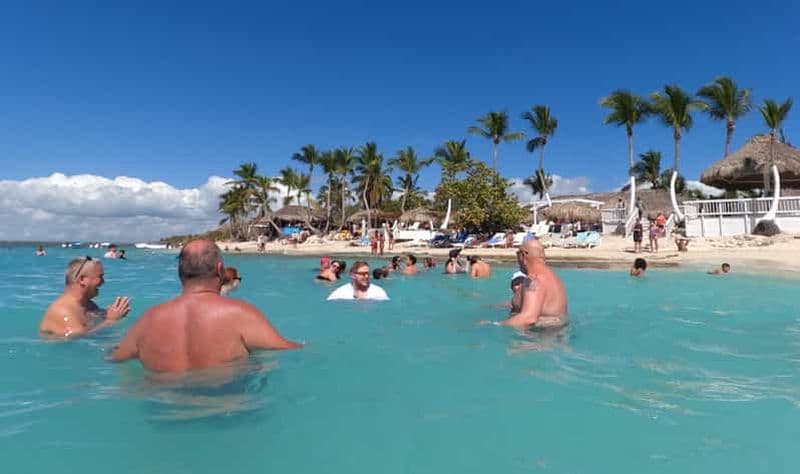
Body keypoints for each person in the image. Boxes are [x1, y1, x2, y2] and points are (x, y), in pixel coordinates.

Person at [111, 239, 300, 372]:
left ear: (180, 272)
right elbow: (290, 350)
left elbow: (115, 359)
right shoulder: (240, 314)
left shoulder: (148, 320)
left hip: (164, 416)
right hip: (228, 414)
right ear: (219, 270)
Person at [482, 238, 568, 328]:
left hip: (536, 339)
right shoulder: (553, 278)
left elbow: (528, 318)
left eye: (517, 254)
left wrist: (493, 325)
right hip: (554, 337)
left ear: (523, 255)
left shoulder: (533, 279)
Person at [39, 257, 131, 339]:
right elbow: (78, 339)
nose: (103, 282)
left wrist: (112, 313)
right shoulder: (62, 311)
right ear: (82, 279)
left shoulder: (89, 305)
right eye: (100, 277)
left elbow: (92, 329)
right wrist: (110, 320)